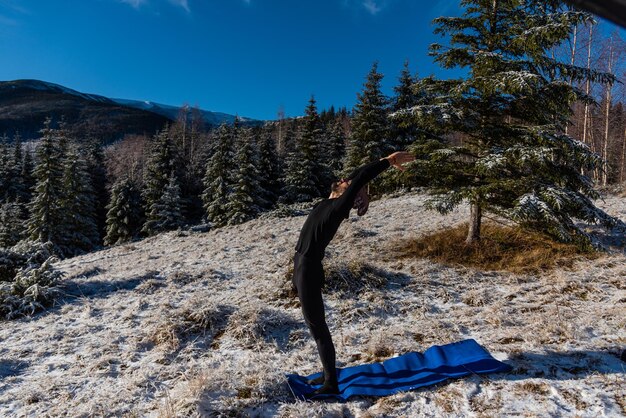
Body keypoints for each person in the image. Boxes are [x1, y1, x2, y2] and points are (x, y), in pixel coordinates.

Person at [292, 151, 415, 397]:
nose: (345, 179)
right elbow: (357, 176)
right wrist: (364, 188)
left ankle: (331, 384)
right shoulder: (327, 202)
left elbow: (359, 178)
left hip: (309, 268)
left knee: (318, 328)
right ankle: (328, 374)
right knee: (313, 325)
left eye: (348, 184)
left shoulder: (338, 206)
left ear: (347, 192)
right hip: (300, 265)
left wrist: (388, 161)